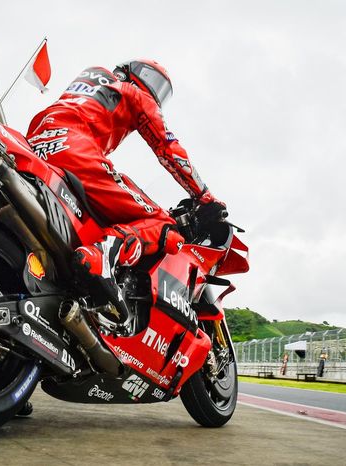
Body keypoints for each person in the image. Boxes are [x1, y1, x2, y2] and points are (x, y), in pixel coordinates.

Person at [26, 59, 226, 316]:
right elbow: (169, 150)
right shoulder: (133, 92)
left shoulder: (92, 76)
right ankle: (101, 258)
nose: (155, 92)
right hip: (75, 152)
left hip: (36, 146)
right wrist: (204, 195)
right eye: (155, 83)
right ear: (134, 74)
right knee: (161, 222)